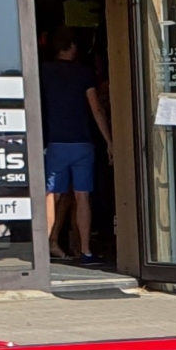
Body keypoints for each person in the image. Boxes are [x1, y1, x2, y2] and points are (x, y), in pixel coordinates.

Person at [38, 28, 107, 262]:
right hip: (82, 142)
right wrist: (109, 141)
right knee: (82, 196)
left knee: (52, 194)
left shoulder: (43, 72)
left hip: (56, 142)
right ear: (71, 47)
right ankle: (86, 250)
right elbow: (96, 108)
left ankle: (44, 246)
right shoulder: (84, 73)